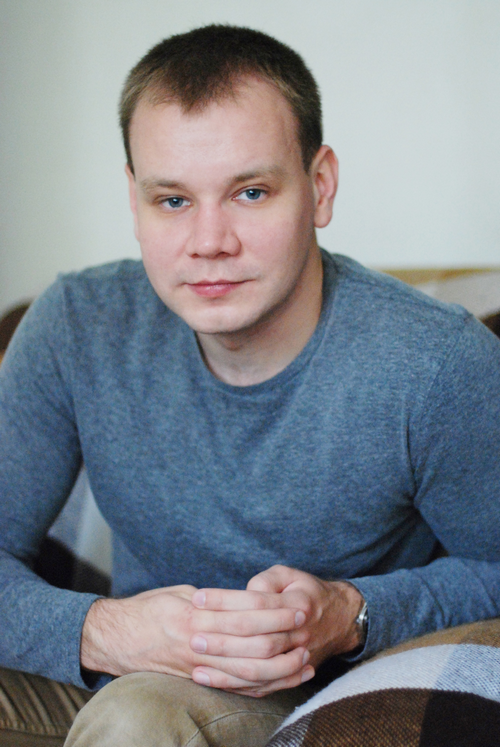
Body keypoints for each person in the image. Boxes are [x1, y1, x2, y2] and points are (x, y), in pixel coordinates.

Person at [0, 24, 499, 747]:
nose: (210, 242)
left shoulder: (435, 362)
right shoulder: (76, 326)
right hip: (120, 667)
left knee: (138, 718)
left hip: (324, 690)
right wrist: (104, 630)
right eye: (173, 200)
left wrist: (352, 612)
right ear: (134, 198)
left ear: (320, 186)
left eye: (251, 192)